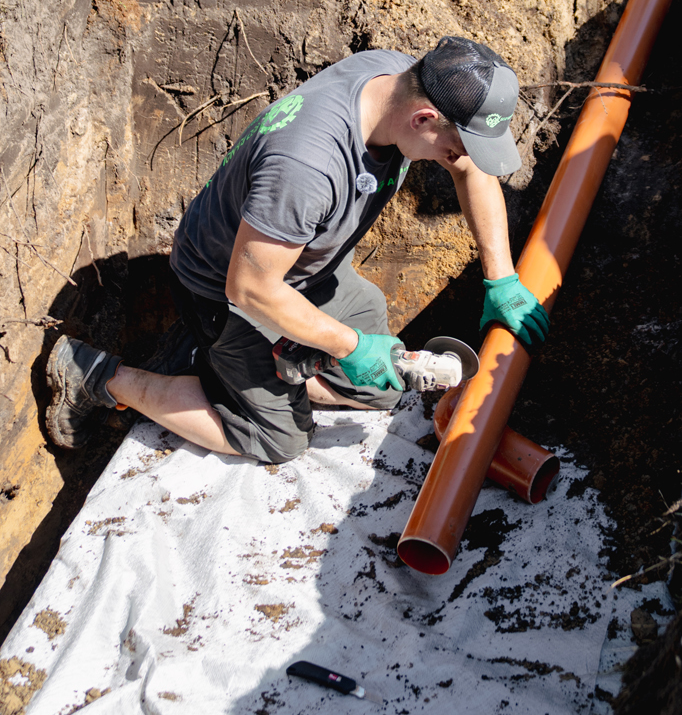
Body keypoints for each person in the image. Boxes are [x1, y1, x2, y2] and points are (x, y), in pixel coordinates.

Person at [45, 36, 549, 463]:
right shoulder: (307, 167)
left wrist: (501, 279)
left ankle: (248, 363)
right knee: (279, 438)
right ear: (423, 119)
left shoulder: (401, 79)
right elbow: (249, 287)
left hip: (300, 272)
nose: (458, 160)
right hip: (223, 289)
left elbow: (469, 168)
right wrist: (348, 347)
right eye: (455, 146)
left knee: (383, 384)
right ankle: (99, 375)